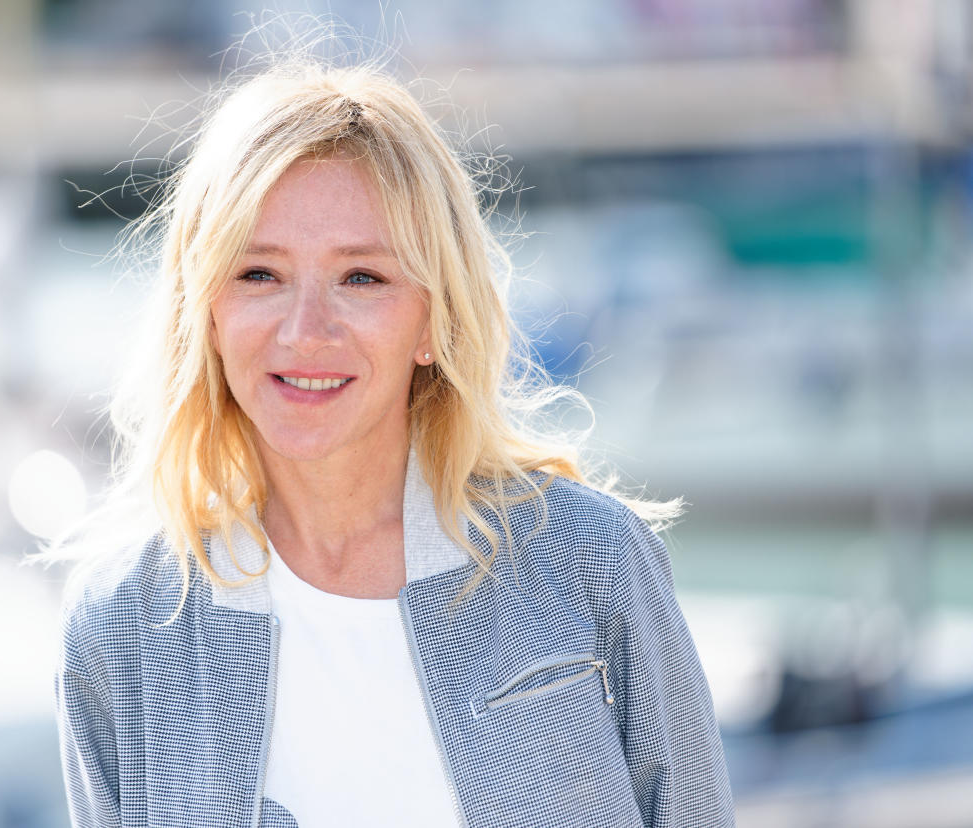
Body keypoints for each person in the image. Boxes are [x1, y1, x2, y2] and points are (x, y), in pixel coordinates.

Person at [48, 47, 736, 828]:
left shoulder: (588, 562)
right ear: (206, 313)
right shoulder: (123, 624)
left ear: (432, 322)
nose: (306, 332)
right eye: (258, 275)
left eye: (362, 278)